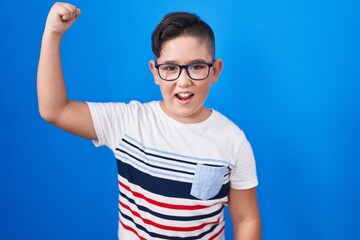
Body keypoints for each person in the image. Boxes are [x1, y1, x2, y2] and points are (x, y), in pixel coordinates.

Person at [37, 2, 261, 239]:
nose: (183, 81)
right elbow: (55, 110)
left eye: (196, 67)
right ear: (155, 72)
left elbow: (246, 218)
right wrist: (53, 33)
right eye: (171, 68)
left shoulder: (233, 141)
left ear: (215, 71)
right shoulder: (128, 122)